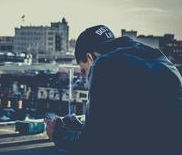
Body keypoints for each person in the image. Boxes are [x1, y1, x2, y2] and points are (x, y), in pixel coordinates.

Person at [45, 25, 182, 155]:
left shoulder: (104, 63)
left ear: (90, 58)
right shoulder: (158, 57)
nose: (86, 79)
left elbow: (94, 145)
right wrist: (81, 127)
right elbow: (127, 130)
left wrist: (58, 134)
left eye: (83, 70)